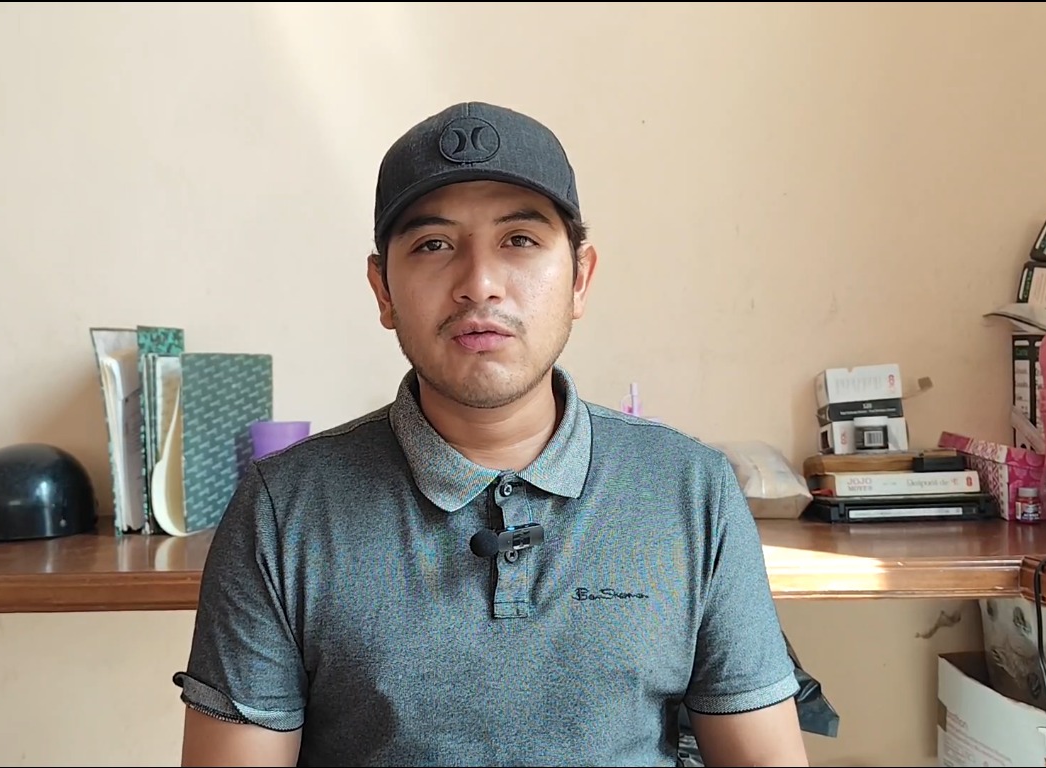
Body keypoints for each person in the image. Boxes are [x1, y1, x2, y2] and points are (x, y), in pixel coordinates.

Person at [173, 101, 809, 767]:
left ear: (580, 279)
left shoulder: (691, 490)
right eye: (434, 245)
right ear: (383, 291)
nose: (479, 284)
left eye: (520, 240)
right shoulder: (283, 510)